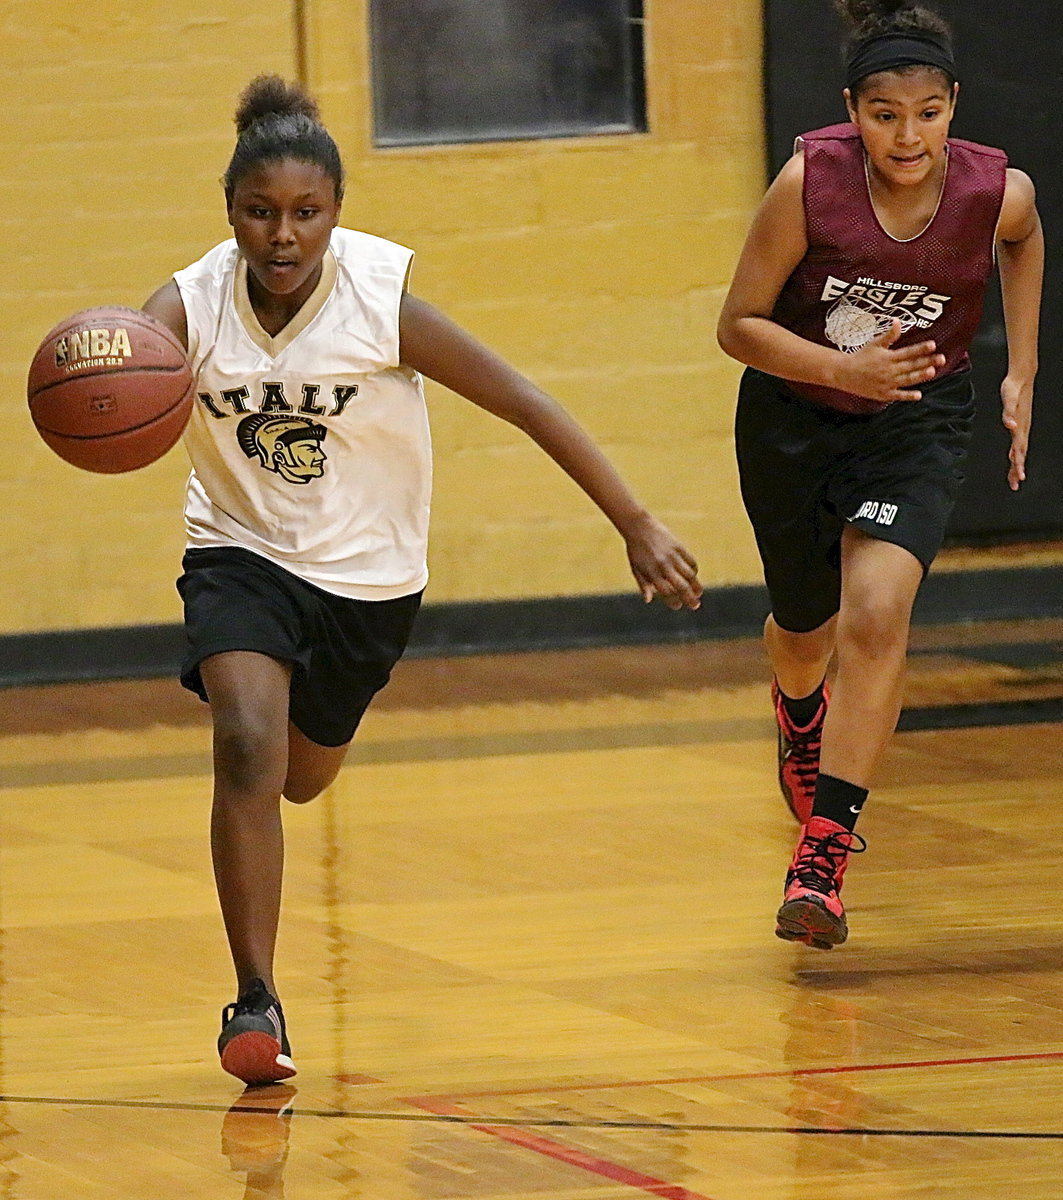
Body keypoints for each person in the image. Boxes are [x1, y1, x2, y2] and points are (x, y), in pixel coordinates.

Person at [141, 75, 701, 1087]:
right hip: (239, 552)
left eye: (305, 212)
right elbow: (114, 373)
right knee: (246, 744)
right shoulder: (186, 304)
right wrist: (99, 383)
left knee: (300, 775)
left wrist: (635, 521)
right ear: (228, 212)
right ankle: (254, 1000)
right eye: (259, 211)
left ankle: (298, 778)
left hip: (367, 577)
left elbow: (522, 400)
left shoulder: (378, 297)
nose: (282, 234)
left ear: (336, 213)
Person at [716, 0, 1042, 950]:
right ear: (851, 111)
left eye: (927, 114)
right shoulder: (805, 183)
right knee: (801, 631)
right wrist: (839, 369)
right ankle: (798, 710)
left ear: (953, 108)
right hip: (793, 415)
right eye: (885, 115)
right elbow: (737, 326)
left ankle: (822, 856)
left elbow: (1023, 241)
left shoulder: (995, 190)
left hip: (914, 418)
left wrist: (1020, 368)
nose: (908, 136)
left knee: (876, 611)